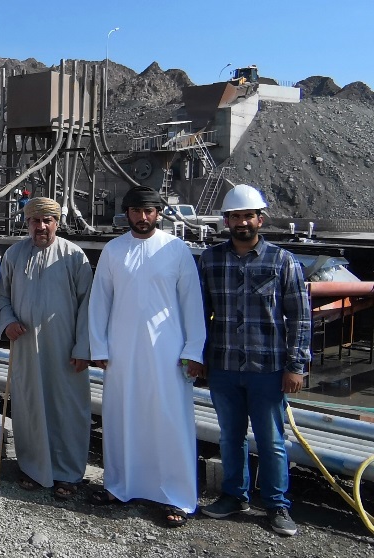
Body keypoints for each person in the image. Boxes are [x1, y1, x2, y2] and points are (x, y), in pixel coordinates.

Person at [87, 186, 206, 528]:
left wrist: (193, 350)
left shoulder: (176, 249)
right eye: (136, 211)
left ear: (158, 213)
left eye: (149, 211)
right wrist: (99, 347)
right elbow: (100, 301)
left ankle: (176, 496)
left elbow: (192, 303)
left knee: (169, 420)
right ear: (127, 213)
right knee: (122, 417)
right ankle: (119, 487)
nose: (143, 217)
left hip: (168, 353)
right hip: (122, 351)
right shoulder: (113, 250)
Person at [198, 184, 311, 537]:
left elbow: (300, 317)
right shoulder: (210, 260)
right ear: (226, 221)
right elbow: (199, 314)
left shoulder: (282, 261)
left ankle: (277, 505)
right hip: (224, 366)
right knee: (230, 437)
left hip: (268, 368)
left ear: (260, 220)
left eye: (248, 216)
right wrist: (197, 357)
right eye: (235, 216)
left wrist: (296, 366)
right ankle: (234, 496)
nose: (242, 222)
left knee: (272, 440)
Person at [0, 197, 93, 499]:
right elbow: (1, 296)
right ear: (27, 223)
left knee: (67, 408)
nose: (41, 226)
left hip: (65, 349)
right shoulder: (14, 255)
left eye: (47, 220)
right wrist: (7, 322)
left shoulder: (74, 256)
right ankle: (33, 468)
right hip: (25, 346)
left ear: (56, 223)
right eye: (35, 221)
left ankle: (68, 473)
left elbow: (88, 306)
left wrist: (83, 348)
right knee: (29, 406)